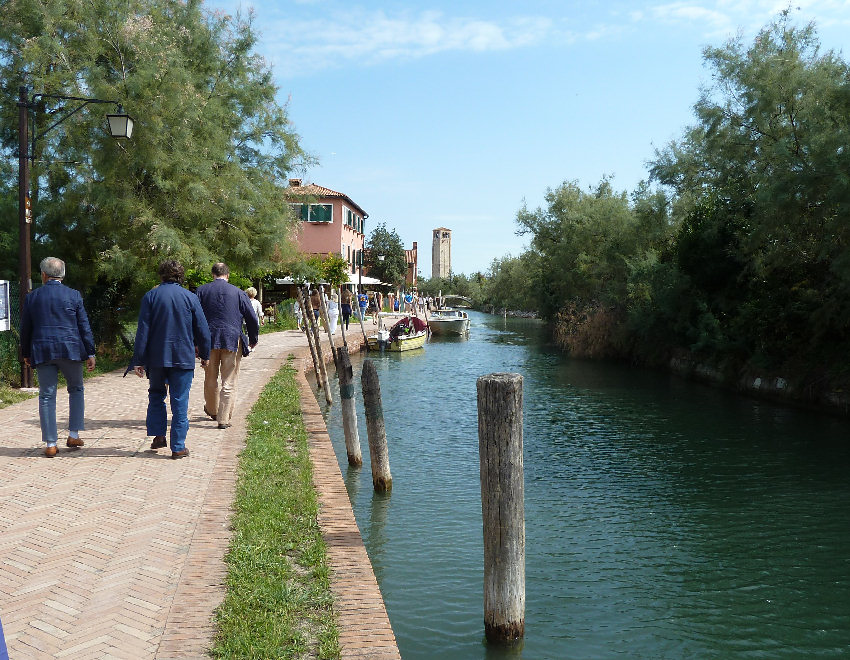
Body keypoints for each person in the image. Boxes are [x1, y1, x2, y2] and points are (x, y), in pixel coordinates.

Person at [131, 260, 210, 458]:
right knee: (180, 400)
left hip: (157, 358)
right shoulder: (190, 297)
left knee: (156, 395)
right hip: (182, 357)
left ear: (162, 275)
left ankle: (159, 436)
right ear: (180, 276)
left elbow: (143, 332)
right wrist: (205, 355)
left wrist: (139, 360)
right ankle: (178, 446)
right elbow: (203, 329)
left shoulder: (151, 296)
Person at [20, 257, 96, 457]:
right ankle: (73, 434)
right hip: (70, 350)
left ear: (44, 275)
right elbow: (84, 326)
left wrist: (26, 353)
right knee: (76, 389)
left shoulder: (33, 297)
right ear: (63, 274)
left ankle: (51, 444)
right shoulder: (74, 295)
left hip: (43, 351)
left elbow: (26, 328)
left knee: (46, 395)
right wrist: (90, 352)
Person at [195, 263, 259, 430]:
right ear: (228, 275)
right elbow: (251, 318)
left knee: (210, 378)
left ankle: (212, 410)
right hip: (232, 339)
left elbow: (193, 318)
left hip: (208, 340)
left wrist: (195, 342)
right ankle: (223, 419)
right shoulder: (238, 293)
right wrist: (253, 338)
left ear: (212, 274)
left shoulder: (201, 291)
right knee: (229, 379)